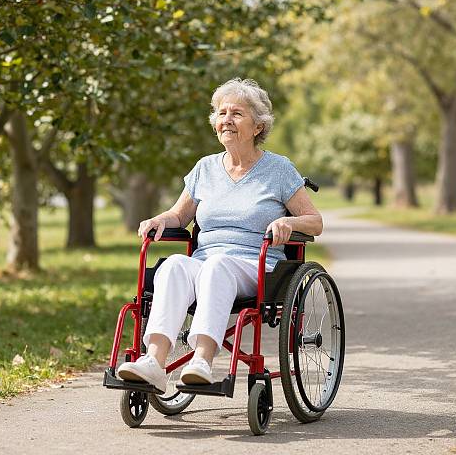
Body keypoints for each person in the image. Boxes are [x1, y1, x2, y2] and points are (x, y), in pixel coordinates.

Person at [117, 77, 323, 393]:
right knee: (172, 265)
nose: (226, 119)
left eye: (236, 113)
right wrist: (159, 219)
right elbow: (179, 215)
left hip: (255, 264)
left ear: (258, 127)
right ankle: (154, 362)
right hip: (205, 260)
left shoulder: (279, 169)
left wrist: (290, 225)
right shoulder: (205, 168)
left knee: (217, 267)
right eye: (221, 113)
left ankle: (201, 360)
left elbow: (314, 221)